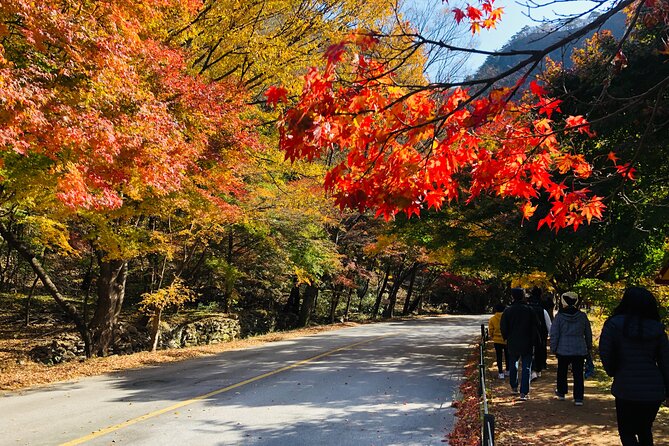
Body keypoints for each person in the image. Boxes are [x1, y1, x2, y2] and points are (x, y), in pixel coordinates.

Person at [599, 287, 669, 446]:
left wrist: (612, 371)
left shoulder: (614, 324)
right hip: (654, 388)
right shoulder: (657, 328)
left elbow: (606, 352)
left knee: (627, 432)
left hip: (625, 386)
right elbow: (666, 361)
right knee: (645, 429)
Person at [550, 291, 592, 406]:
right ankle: (578, 398)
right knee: (578, 373)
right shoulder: (582, 316)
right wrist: (589, 346)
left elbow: (554, 334)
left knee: (562, 371)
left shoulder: (559, 317)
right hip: (579, 348)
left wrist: (553, 348)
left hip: (563, 348)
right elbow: (588, 333)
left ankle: (562, 392)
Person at [501, 288, 540, 401]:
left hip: (513, 341)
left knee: (513, 364)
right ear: (523, 296)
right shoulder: (529, 310)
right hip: (527, 342)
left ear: (512, 297)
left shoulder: (508, 311)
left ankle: (514, 386)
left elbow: (503, 327)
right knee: (526, 366)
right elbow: (537, 324)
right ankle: (524, 392)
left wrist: (506, 337)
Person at [528, 286, 551, 380]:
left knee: (530, 352)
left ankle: (532, 370)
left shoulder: (527, 307)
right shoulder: (542, 309)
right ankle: (539, 369)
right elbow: (548, 324)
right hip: (541, 334)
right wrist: (551, 334)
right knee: (540, 351)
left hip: (528, 334)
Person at [488, 303, 509, 379]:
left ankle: (500, 372)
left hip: (497, 340)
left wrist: (492, 336)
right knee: (507, 355)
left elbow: (490, 330)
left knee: (499, 356)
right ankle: (507, 370)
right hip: (506, 339)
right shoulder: (507, 317)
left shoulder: (492, 319)